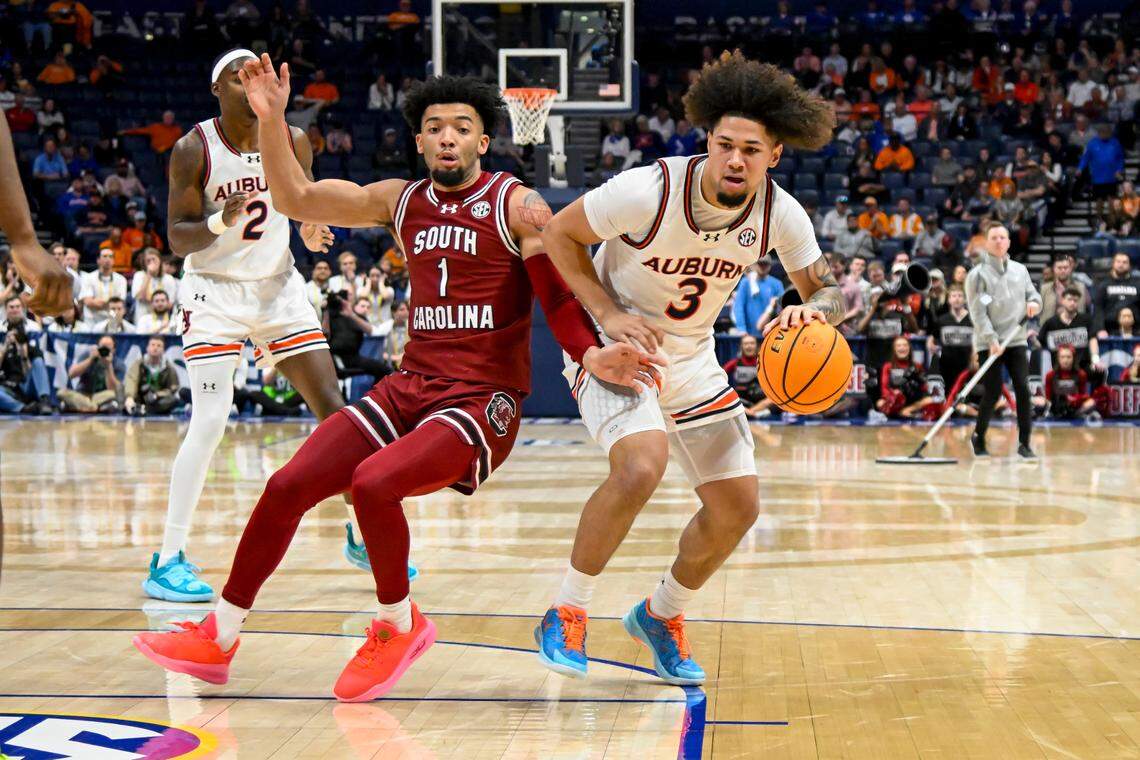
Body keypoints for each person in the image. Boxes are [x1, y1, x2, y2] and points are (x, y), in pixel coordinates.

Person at [133, 58, 655, 702]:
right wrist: (272, 119)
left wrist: (589, 351)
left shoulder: (516, 204)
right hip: (412, 387)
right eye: (434, 127)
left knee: (373, 484)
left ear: (481, 142)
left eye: (460, 128)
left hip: (481, 401)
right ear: (418, 141)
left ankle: (396, 625)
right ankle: (221, 633)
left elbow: (553, 294)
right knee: (288, 483)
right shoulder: (397, 199)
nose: (446, 137)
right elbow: (294, 197)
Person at [535, 51, 843, 685]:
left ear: (774, 155)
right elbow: (557, 237)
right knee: (641, 465)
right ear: (707, 139)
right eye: (725, 144)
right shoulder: (648, 190)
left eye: (751, 150)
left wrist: (810, 314)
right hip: (616, 344)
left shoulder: (780, 213)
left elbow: (828, 291)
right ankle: (565, 610)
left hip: (693, 355)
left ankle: (662, 614)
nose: (736, 159)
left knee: (738, 506)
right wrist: (605, 313)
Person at [142, 49, 350, 605]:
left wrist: (309, 228)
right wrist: (219, 218)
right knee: (210, 420)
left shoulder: (293, 138)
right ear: (217, 89)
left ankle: (362, 532)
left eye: (256, 71)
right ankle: (167, 559)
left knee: (336, 410)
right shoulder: (193, 148)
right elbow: (177, 237)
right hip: (213, 293)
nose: (249, 78)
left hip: (277, 288)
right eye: (238, 74)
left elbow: (305, 202)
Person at [964, 221, 1041, 458]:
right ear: (987, 243)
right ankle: (978, 436)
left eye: (1002, 237)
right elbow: (977, 312)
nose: (999, 241)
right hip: (990, 342)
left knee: (1022, 388)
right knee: (994, 391)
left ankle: (1025, 443)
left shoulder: (1021, 270)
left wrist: (1034, 304)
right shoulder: (977, 276)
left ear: (1008, 242)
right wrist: (991, 339)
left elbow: (1034, 295)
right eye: (994, 237)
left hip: (1015, 340)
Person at [0, 298, 52, 415]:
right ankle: (23, 408)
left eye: (18, 307)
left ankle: (44, 400)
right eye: (11, 307)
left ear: (23, 309)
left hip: (27, 383)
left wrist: (23, 353)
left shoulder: (33, 329)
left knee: (38, 361)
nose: (15, 310)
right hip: (8, 386)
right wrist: (5, 347)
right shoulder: (1, 330)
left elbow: (31, 369)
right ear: (6, 310)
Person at [58, 335, 124, 414]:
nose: (104, 351)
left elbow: (112, 388)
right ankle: (94, 407)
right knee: (61, 392)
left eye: (107, 349)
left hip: (102, 396)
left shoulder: (118, 364)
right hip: (82, 395)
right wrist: (90, 359)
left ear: (113, 350)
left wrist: (108, 366)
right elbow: (71, 374)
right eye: (102, 347)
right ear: (97, 347)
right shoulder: (88, 355)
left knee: (113, 395)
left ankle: (84, 406)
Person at [876, 336, 937, 419]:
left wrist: (921, 381)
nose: (902, 348)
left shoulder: (917, 366)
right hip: (895, 400)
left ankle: (906, 411)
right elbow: (884, 389)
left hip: (913, 402)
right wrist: (894, 394)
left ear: (909, 348)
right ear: (894, 349)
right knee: (880, 403)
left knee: (932, 399)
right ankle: (902, 412)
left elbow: (926, 389)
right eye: (899, 346)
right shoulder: (888, 366)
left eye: (905, 345)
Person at [929, 283, 973, 391]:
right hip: (947, 366)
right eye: (953, 296)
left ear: (965, 299)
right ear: (949, 300)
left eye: (960, 296)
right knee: (949, 394)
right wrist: (930, 344)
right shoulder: (942, 320)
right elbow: (933, 338)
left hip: (967, 365)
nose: (957, 299)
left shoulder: (972, 319)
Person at [124, 336, 181, 416]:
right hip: (139, 396)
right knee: (124, 393)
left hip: (157, 399)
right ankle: (135, 407)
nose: (155, 348)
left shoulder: (168, 367)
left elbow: (173, 388)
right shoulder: (139, 363)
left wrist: (157, 395)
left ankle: (143, 409)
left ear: (163, 350)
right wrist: (130, 397)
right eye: (153, 345)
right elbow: (131, 379)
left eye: (159, 346)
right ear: (147, 348)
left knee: (173, 400)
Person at [946, 351, 1013, 418]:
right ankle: (978, 415)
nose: (980, 364)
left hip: (989, 407)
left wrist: (1013, 407)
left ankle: (982, 415)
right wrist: (946, 411)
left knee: (1002, 403)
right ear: (972, 362)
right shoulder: (965, 375)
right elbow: (953, 393)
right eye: (977, 361)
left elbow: (1006, 394)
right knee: (958, 407)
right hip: (971, 408)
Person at [723, 334, 775, 419]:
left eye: (752, 343)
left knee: (773, 400)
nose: (749, 346)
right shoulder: (735, 363)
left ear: (756, 346)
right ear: (741, 346)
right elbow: (719, 376)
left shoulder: (764, 363)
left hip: (760, 401)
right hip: (741, 400)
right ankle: (754, 413)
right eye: (746, 343)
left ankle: (749, 412)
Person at [1044, 345, 1098, 421]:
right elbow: (1048, 397)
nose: (1065, 360)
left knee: (1092, 402)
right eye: (1062, 357)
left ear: (1073, 358)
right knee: (1039, 401)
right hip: (1056, 405)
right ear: (1058, 359)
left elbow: (1083, 395)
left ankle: (1077, 414)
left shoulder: (1081, 374)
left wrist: (1074, 399)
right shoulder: (1050, 375)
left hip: (1074, 406)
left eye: (1068, 357)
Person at [1092, 253, 1139, 339]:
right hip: (1109, 329)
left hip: (1135, 330)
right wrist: (1100, 329)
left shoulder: (1137, 283)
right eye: (1118, 262)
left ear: (1129, 265)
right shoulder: (1103, 283)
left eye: (1125, 262)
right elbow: (1098, 308)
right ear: (1113, 263)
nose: (1121, 265)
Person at [731, 260, 783, 336]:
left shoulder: (777, 284)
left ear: (770, 266)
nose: (763, 267)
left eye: (765, 264)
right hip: (748, 333)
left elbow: (782, 308)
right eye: (760, 264)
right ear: (755, 265)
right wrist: (741, 328)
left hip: (769, 331)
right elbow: (739, 306)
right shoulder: (746, 282)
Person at [79, 249, 128, 325]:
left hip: (112, 320)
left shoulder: (121, 279)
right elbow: (88, 302)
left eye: (110, 257)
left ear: (114, 261)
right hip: (92, 321)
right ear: (98, 260)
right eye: (105, 256)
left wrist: (97, 302)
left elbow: (119, 304)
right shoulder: (88, 277)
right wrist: (110, 304)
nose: (108, 259)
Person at [132, 248, 179, 323]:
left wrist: (151, 300)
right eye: (148, 261)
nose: (151, 263)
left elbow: (169, 304)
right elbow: (140, 297)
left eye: (154, 259)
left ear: (160, 260)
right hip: (142, 318)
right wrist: (148, 275)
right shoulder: (139, 275)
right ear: (144, 263)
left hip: (163, 320)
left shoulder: (169, 279)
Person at [1041, 253, 1089, 318]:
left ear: (1071, 269)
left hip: (1075, 326)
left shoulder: (1081, 287)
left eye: (1066, 268)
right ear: (1054, 269)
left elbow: (1087, 310)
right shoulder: (1044, 289)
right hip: (1049, 326)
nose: (1063, 270)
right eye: (1059, 268)